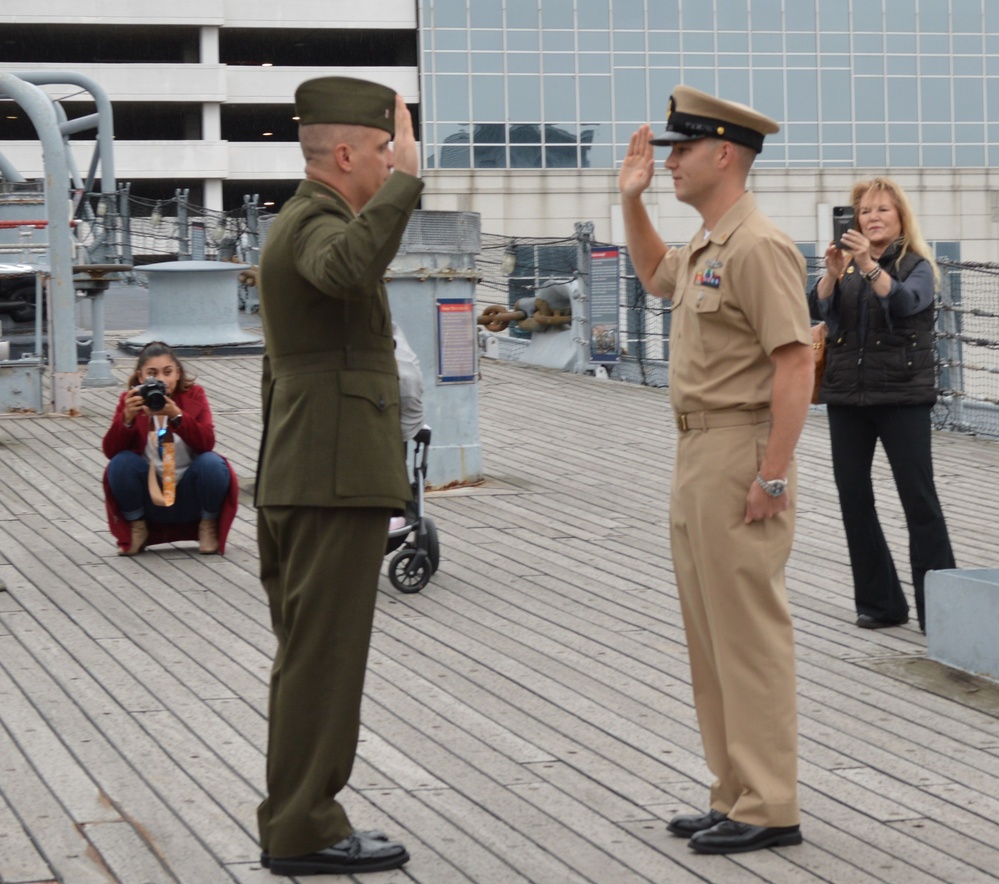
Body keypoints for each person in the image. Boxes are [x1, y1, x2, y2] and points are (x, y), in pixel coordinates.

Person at [618, 85, 814, 855]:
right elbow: (653, 276)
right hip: (696, 450)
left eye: (682, 150)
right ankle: (733, 789)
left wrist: (772, 474)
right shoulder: (708, 244)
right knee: (710, 636)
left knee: (750, 637)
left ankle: (770, 803)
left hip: (738, 448)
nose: (668, 163)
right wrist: (631, 203)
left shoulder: (757, 244)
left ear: (723, 154)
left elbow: (795, 363)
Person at [254, 76, 422, 877]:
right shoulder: (314, 224)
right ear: (347, 151)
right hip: (328, 477)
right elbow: (344, 271)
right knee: (322, 660)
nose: (392, 164)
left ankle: (299, 818)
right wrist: (408, 187)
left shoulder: (305, 220)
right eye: (385, 151)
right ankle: (305, 828)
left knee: (308, 658)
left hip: (314, 470)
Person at [809, 177, 955, 632]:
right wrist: (833, 274)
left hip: (902, 397)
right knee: (853, 497)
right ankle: (880, 603)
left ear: (900, 218)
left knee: (919, 500)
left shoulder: (918, 266)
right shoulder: (849, 265)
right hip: (847, 395)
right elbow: (817, 310)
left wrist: (871, 266)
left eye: (882, 211)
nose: (872, 218)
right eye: (865, 211)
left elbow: (908, 302)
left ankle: (944, 612)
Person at [102, 341, 237, 556]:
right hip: (151, 495)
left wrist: (177, 416)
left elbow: (206, 443)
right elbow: (111, 452)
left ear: (177, 373)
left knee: (213, 463)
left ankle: (208, 526)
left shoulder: (195, 396)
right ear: (140, 377)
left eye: (167, 372)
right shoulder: (131, 400)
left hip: (188, 492)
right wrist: (126, 419)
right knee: (120, 464)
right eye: (152, 374)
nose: (161, 380)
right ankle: (137, 527)